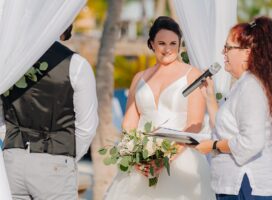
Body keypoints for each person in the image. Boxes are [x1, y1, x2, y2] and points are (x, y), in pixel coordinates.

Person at [104, 16, 215, 200]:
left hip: (181, 161)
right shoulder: (139, 78)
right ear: (151, 44)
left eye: (173, 43)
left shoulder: (192, 75)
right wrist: (136, 156)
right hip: (141, 164)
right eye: (162, 43)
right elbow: (129, 124)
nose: (168, 49)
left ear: (180, 45)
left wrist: (164, 160)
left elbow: (195, 124)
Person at [195, 16, 272, 200]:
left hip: (249, 187)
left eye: (228, 47)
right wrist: (210, 98)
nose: (222, 52)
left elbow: (251, 143)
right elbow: (225, 130)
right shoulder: (243, 85)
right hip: (238, 186)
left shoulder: (251, 87)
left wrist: (213, 146)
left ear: (247, 53)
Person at [1, 25, 98, 199]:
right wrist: (65, 158)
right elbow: (87, 127)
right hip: (55, 162)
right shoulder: (76, 65)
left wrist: (11, 140)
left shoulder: (8, 60)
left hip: (12, 160)